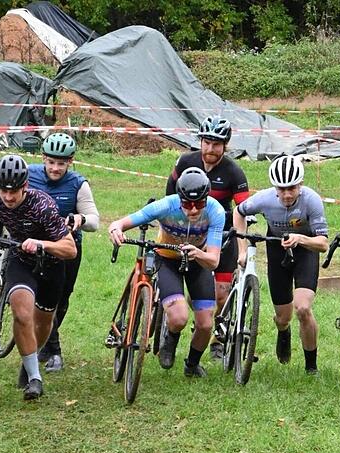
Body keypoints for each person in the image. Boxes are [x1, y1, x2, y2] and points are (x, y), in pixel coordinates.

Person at [108, 168, 224, 377]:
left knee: (206, 324)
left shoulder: (215, 211)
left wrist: (198, 253)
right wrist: (115, 229)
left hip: (198, 261)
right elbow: (123, 222)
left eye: (199, 204)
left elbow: (213, 261)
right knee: (179, 318)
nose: (193, 210)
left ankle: (192, 364)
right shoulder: (166, 205)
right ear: (179, 199)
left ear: (207, 199)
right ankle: (170, 339)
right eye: (187, 204)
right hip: (167, 259)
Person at [0, 155, 77, 400]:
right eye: (3, 191)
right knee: (22, 313)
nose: (8, 197)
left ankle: (29, 360)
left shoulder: (43, 206)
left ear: (25, 186)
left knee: (43, 323)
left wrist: (42, 244)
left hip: (51, 266)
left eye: (13, 191)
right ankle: (35, 377)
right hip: (21, 262)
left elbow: (70, 249)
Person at [234, 155, 328, 375]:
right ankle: (283, 331)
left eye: (292, 188)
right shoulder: (264, 199)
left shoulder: (312, 200)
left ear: (300, 185)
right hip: (277, 250)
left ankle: (311, 366)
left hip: (305, 250)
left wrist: (300, 238)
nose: (286, 194)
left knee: (303, 309)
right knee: (283, 317)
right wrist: (242, 249)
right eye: (282, 189)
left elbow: (323, 243)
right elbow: (239, 213)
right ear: (274, 187)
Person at [165, 115, 249, 360]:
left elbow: (243, 208)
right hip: (189, 231)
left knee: (222, 292)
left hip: (220, 233)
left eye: (217, 144)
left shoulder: (234, 172)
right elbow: (169, 196)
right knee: (195, 290)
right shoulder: (185, 162)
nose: (211, 149)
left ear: (225, 145)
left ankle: (216, 339)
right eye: (207, 142)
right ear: (200, 141)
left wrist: (243, 243)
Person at [28, 133, 100, 373]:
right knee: (40, 297)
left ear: (71, 161)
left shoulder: (78, 184)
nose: (55, 168)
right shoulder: (29, 174)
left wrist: (80, 218)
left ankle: (46, 343)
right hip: (34, 245)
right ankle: (54, 349)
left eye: (61, 163)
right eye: (51, 162)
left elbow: (94, 221)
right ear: (43, 158)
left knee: (61, 298)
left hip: (65, 248)